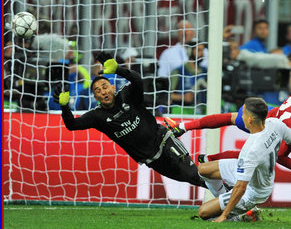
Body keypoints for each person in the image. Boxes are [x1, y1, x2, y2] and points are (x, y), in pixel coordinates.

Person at [53, 52, 205, 188]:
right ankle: (226, 192)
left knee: (194, 174)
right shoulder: (97, 116)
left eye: (105, 87)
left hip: (164, 141)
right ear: (95, 97)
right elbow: (72, 125)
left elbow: (137, 80)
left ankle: (227, 195)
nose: (103, 91)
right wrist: (65, 107)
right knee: (191, 178)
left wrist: (118, 69)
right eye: (98, 91)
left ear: (113, 87)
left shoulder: (127, 95)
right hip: (152, 159)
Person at [166, 79, 291, 189]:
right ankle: (210, 159)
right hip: (266, 133)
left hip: (263, 115)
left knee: (229, 117)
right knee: (253, 155)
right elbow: (280, 156)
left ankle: (184, 127)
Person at [196, 97, 291, 222]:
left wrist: (224, 215)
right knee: (203, 169)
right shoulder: (275, 124)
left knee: (203, 212)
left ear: (250, 120)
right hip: (251, 172)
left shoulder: (251, 149)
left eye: (242, 114)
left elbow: (241, 187)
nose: (240, 117)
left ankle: (238, 216)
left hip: (254, 191)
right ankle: (226, 201)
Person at [169, 42, 208, 114]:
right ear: (189, 51)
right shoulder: (179, 71)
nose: (202, 54)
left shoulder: (206, 71)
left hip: (202, 111)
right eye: (199, 50)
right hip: (181, 111)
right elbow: (167, 95)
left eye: (203, 51)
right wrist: (183, 97)